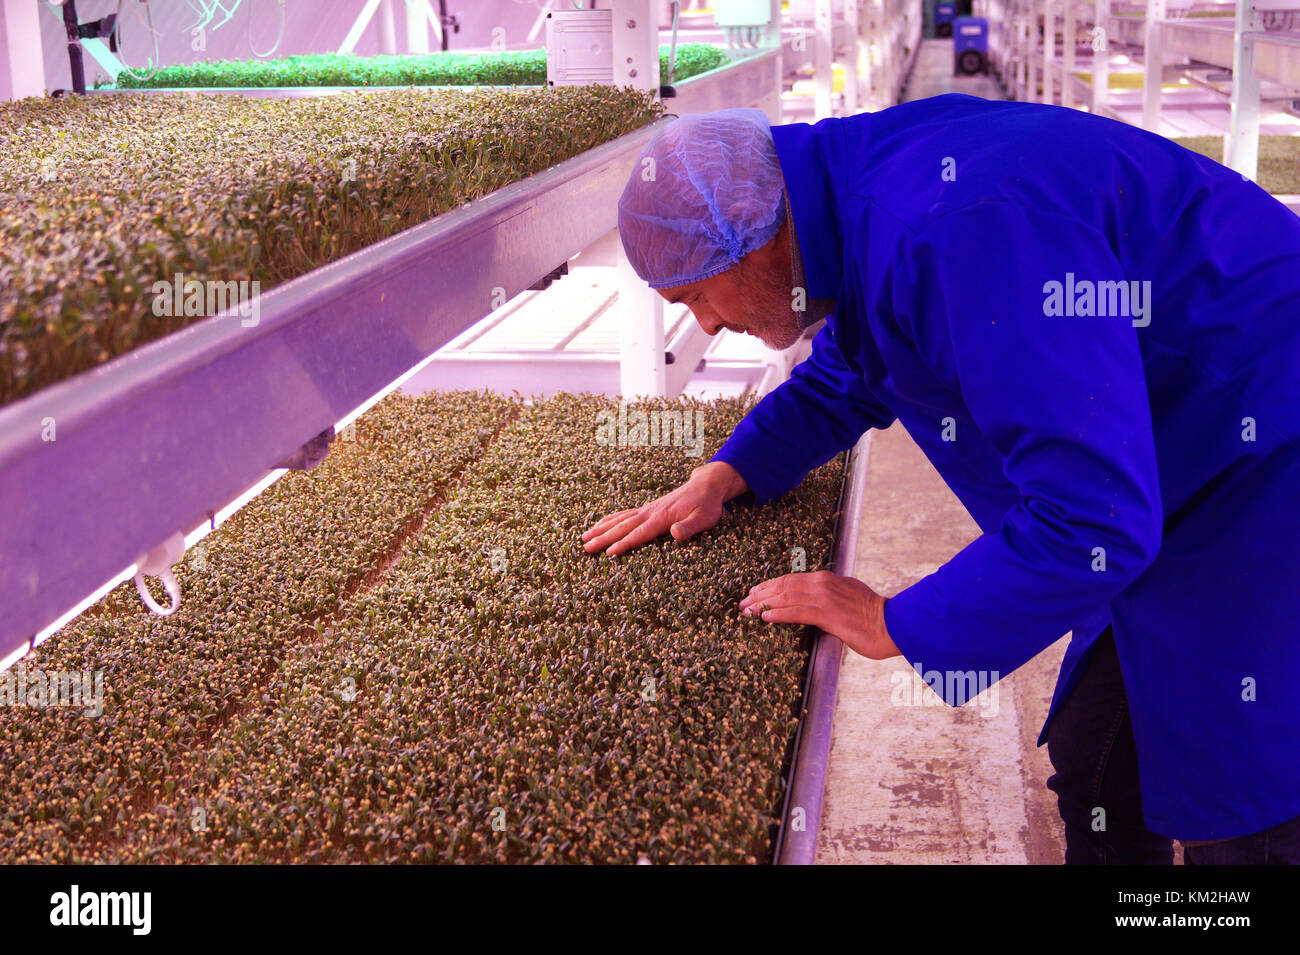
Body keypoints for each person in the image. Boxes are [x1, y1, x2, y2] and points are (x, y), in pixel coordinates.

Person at [582, 97, 1300, 864]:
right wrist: (728, 472)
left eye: (695, 295)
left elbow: (1094, 516)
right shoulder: (847, 196)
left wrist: (897, 622)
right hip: (1180, 444)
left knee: (1246, 797)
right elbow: (859, 361)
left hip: (1257, 448)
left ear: (747, 240)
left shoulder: (959, 232)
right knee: (1098, 765)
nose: (706, 325)